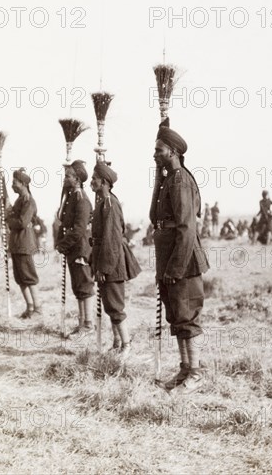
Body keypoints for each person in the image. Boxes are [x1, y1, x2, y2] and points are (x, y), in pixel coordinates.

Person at [149, 119, 210, 395]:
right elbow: (154, 217)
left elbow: (186, 228)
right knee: (176, 315)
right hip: (170, 257)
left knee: (187, 315)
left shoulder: (181, 181)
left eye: (159, 150)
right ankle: (185, 368)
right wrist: (158, 178)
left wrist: (175, 267)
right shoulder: (168, 180)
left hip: (182, 260)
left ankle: (196, 373)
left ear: (173, 152)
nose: (154, 155)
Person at [90, 161, 141, 359]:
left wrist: (104, 267)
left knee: (115, 305)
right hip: (105, 261)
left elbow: (111, 240)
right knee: (110, 304)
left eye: (94, 179)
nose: (91, 182)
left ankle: (127, 345)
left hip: (111, 263)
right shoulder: (103, 203)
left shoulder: (110, 204)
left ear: (103, 182)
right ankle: (117, 342)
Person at [56, 160, 95, 335]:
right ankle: (82, 323)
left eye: (68, 176)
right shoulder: (72, 197)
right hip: (73, 248)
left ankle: (88, 324)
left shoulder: (81, 200)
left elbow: (79, 229)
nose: (65, 179)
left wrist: (63, 245)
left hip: (80, 248)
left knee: (84, 286)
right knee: (78, 287)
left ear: (77, 179)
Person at [6, 168, 41, 319]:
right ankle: (30, 307)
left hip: (24, 244)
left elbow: (21, 222)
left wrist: (8, 219)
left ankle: (38, 308)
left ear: (23, 183)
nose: (12, 185)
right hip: (16, 244)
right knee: (20, 278)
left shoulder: (29, 201)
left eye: (15, 183)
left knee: (29, 277)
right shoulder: (19, 200)